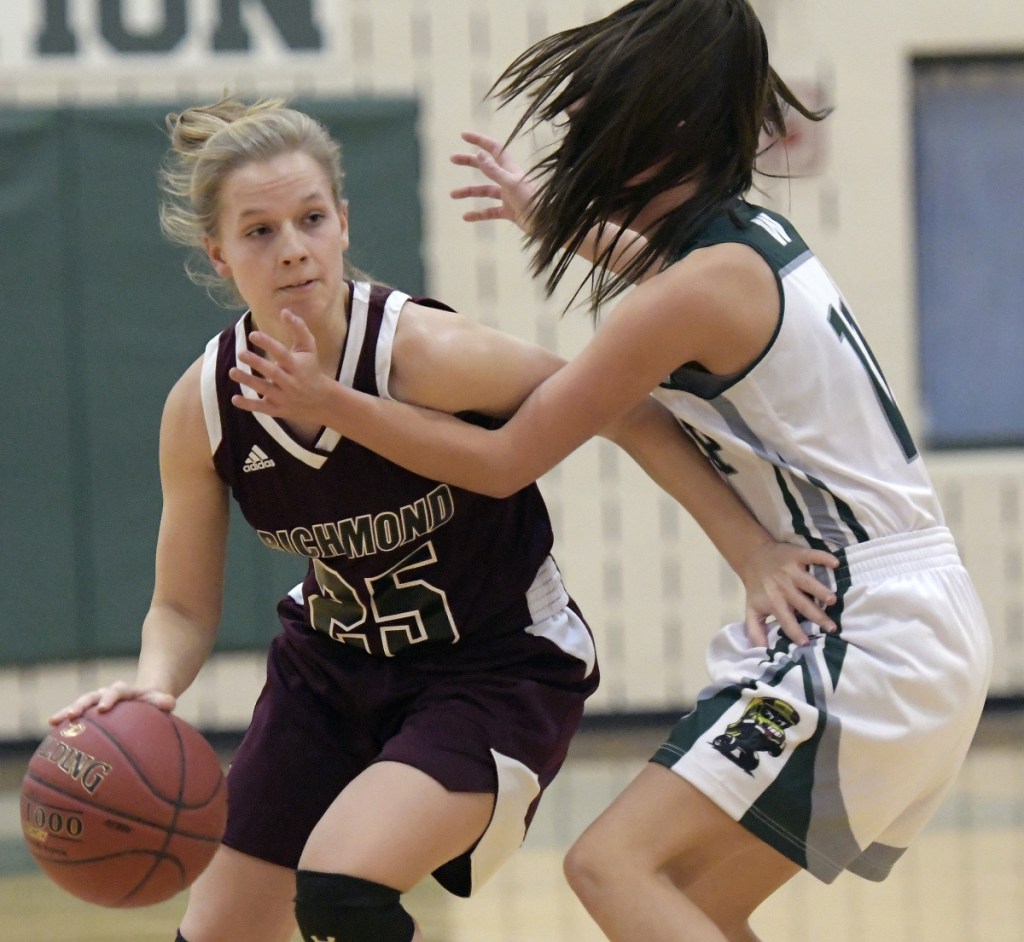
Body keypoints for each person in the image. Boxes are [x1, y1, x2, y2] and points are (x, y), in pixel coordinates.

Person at [227, 1, 994, 940]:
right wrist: (549, 220)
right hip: (904, 610)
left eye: (593, 118)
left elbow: (506, 460)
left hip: (873, 626)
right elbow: (669, 278)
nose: (577, 140)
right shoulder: (752, 248)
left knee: (611, 865)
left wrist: (333, 405)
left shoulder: (692, 292)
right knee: (693, 903)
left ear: (656, 132)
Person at [50, 94, 838, 942]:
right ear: (219, 253)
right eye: (259, 231)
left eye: (311, 218)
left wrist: (751, 549)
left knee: (342, 887)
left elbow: (625, 406)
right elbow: (181, 606)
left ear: (344, 224)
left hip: (493, 669)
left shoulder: (424, 354)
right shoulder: (203, 405)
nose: (293, 250)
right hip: (330, 673)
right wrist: (158, 687)